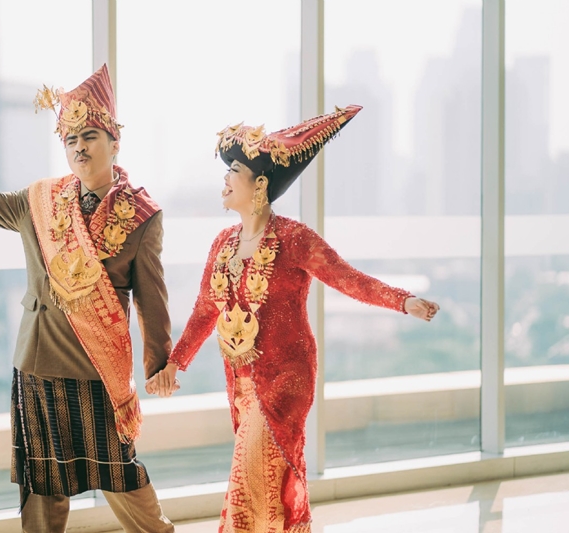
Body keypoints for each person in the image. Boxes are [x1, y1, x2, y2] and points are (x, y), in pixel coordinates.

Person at [0, 64, 175, 533]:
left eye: (89, 136)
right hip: (38, 362)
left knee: (122, 476)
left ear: (114, 141)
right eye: (70, 139)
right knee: (42, 485)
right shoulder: (39, 201)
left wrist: (159, 364)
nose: (79, 147)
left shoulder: (142, 215)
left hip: (97, 369)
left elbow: (151, 298)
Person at [148, 105, 440, 532]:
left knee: (250, 475)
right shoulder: (222, 243)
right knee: (267, 480)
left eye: (234, 170)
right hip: (241, 379)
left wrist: (403, 301)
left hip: (288, 374)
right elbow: (205, 311)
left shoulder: (293, 238)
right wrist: (176, 363)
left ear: (260, 183)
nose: (225, 178)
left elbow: (347, 279)